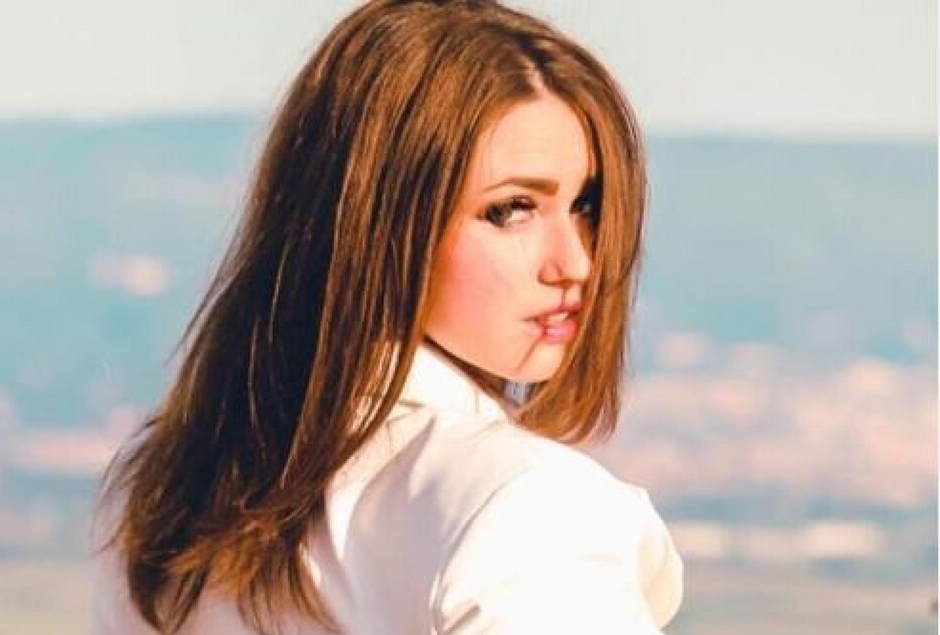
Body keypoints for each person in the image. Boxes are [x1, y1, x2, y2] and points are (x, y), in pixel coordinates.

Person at [92, 0, 683, 633]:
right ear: (381, 223)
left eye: (586, 205)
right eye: (511, 210)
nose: (576, 262)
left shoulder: (164, 484)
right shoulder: (526, 505)